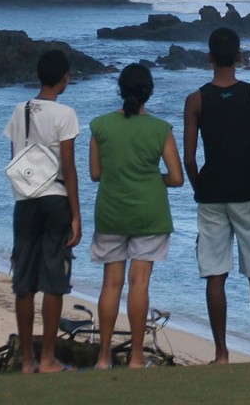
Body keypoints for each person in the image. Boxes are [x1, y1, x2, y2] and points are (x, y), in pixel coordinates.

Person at [183, 27, 250, 363]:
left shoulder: (196, 99)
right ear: (239, 56)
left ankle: (222, 353)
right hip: (246, 192)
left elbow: (189, 158)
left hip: (211, 193)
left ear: (210, 57)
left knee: (215, 274)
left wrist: (200, 187)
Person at [89, 64, 184, 369]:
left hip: (111, 211)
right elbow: (177, 177)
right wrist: (155, 179)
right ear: (149, 92)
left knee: (111, 284)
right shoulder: (161, 129)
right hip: (149, 212)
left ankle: (103, 357)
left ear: (120, 89)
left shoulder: (100, 126)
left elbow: (95, 173)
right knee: (139, 282)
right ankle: (137, 356)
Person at [4, 49, 82, 374]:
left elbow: (15, 157)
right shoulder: (65, 114)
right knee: (54, 280)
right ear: (64, 78)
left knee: (24, 282)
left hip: (24, 201)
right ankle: (47, 357)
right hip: (54, 199)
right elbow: (68, 166)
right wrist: (76, 215)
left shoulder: (18, 110)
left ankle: (26, 360)